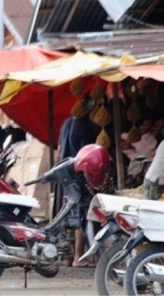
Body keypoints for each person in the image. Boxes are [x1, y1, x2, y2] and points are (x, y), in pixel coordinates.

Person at [55, 97, 98, 268]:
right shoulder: (86, 126)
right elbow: (86, 156)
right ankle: (79, 257)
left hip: (64, 173)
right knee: (80, 216)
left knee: (67, 214)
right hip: (78, 175)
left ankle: (67, 257)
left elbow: (58, 152)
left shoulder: (66, 123)